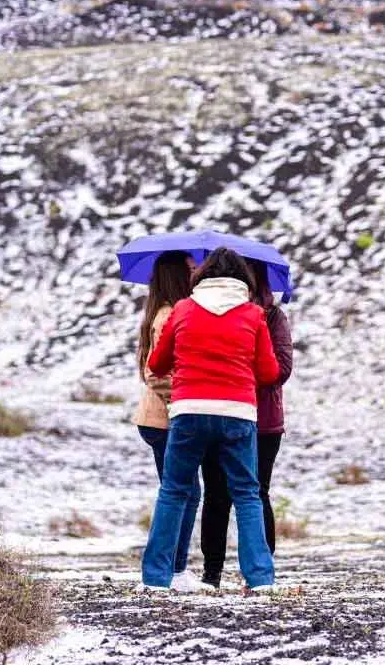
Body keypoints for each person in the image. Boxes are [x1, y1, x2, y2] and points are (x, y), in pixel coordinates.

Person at [142, 247, 280, 591]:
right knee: (247, 493)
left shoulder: (184, 309)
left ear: (201, 277)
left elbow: (157, 364)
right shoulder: (253, 315)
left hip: (188, 410)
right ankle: (260, 579)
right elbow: (268, 371)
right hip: (237, 414)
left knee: (173, 491)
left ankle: (156, 579)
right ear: (241, 280)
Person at [200, 258, 293, 589]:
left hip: (263, 421)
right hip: (223, 412)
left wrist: (238, 370)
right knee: (216, 495)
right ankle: (211, 573)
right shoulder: (212, 313)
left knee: (257, 493)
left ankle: (261, 571)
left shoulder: (273, 317)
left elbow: (281, 368)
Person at [133, 251, 210, 592]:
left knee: (185, 491)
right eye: (191, 269)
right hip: (164, 419)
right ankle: (174, 570)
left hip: (160, 417)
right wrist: (185, 400)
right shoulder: (167, 315)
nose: (195, 274)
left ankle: (176, 569)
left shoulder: (163, 312)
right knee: (183, 492)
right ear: (177, 275)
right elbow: (157, 374)